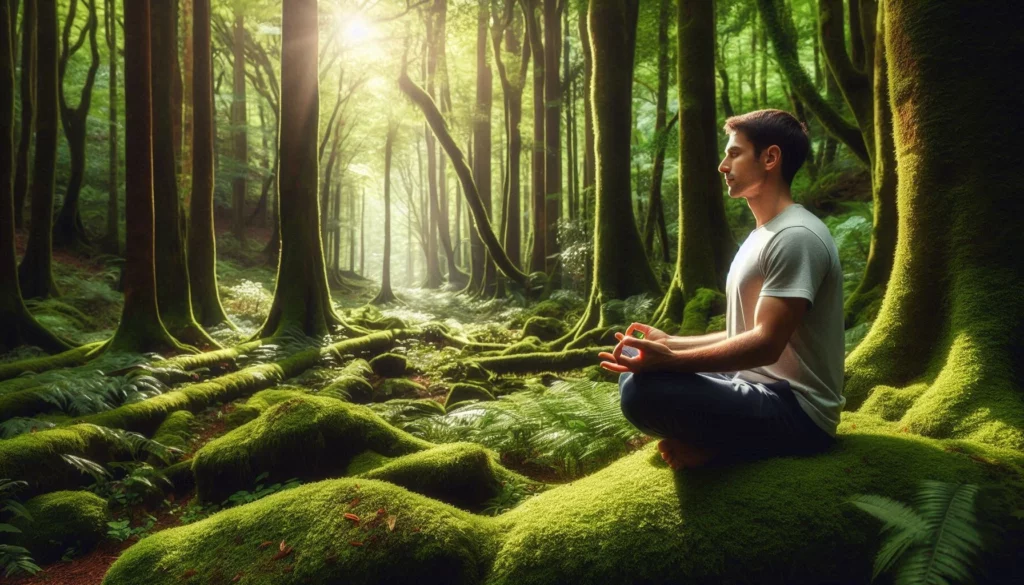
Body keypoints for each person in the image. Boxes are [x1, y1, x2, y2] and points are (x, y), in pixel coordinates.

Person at [599, 109, 844, 470]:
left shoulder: (797, 236)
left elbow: (766, 343)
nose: (722, 165)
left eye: (734, 153)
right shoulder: (763, 235)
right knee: (634, 372)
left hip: (798, 412)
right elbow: (743, 334)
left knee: (642, 392)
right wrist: (670, 342)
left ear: (770, 158)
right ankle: (716, 444)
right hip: (756, 387)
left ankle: (721, 450)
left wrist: (673, 361)